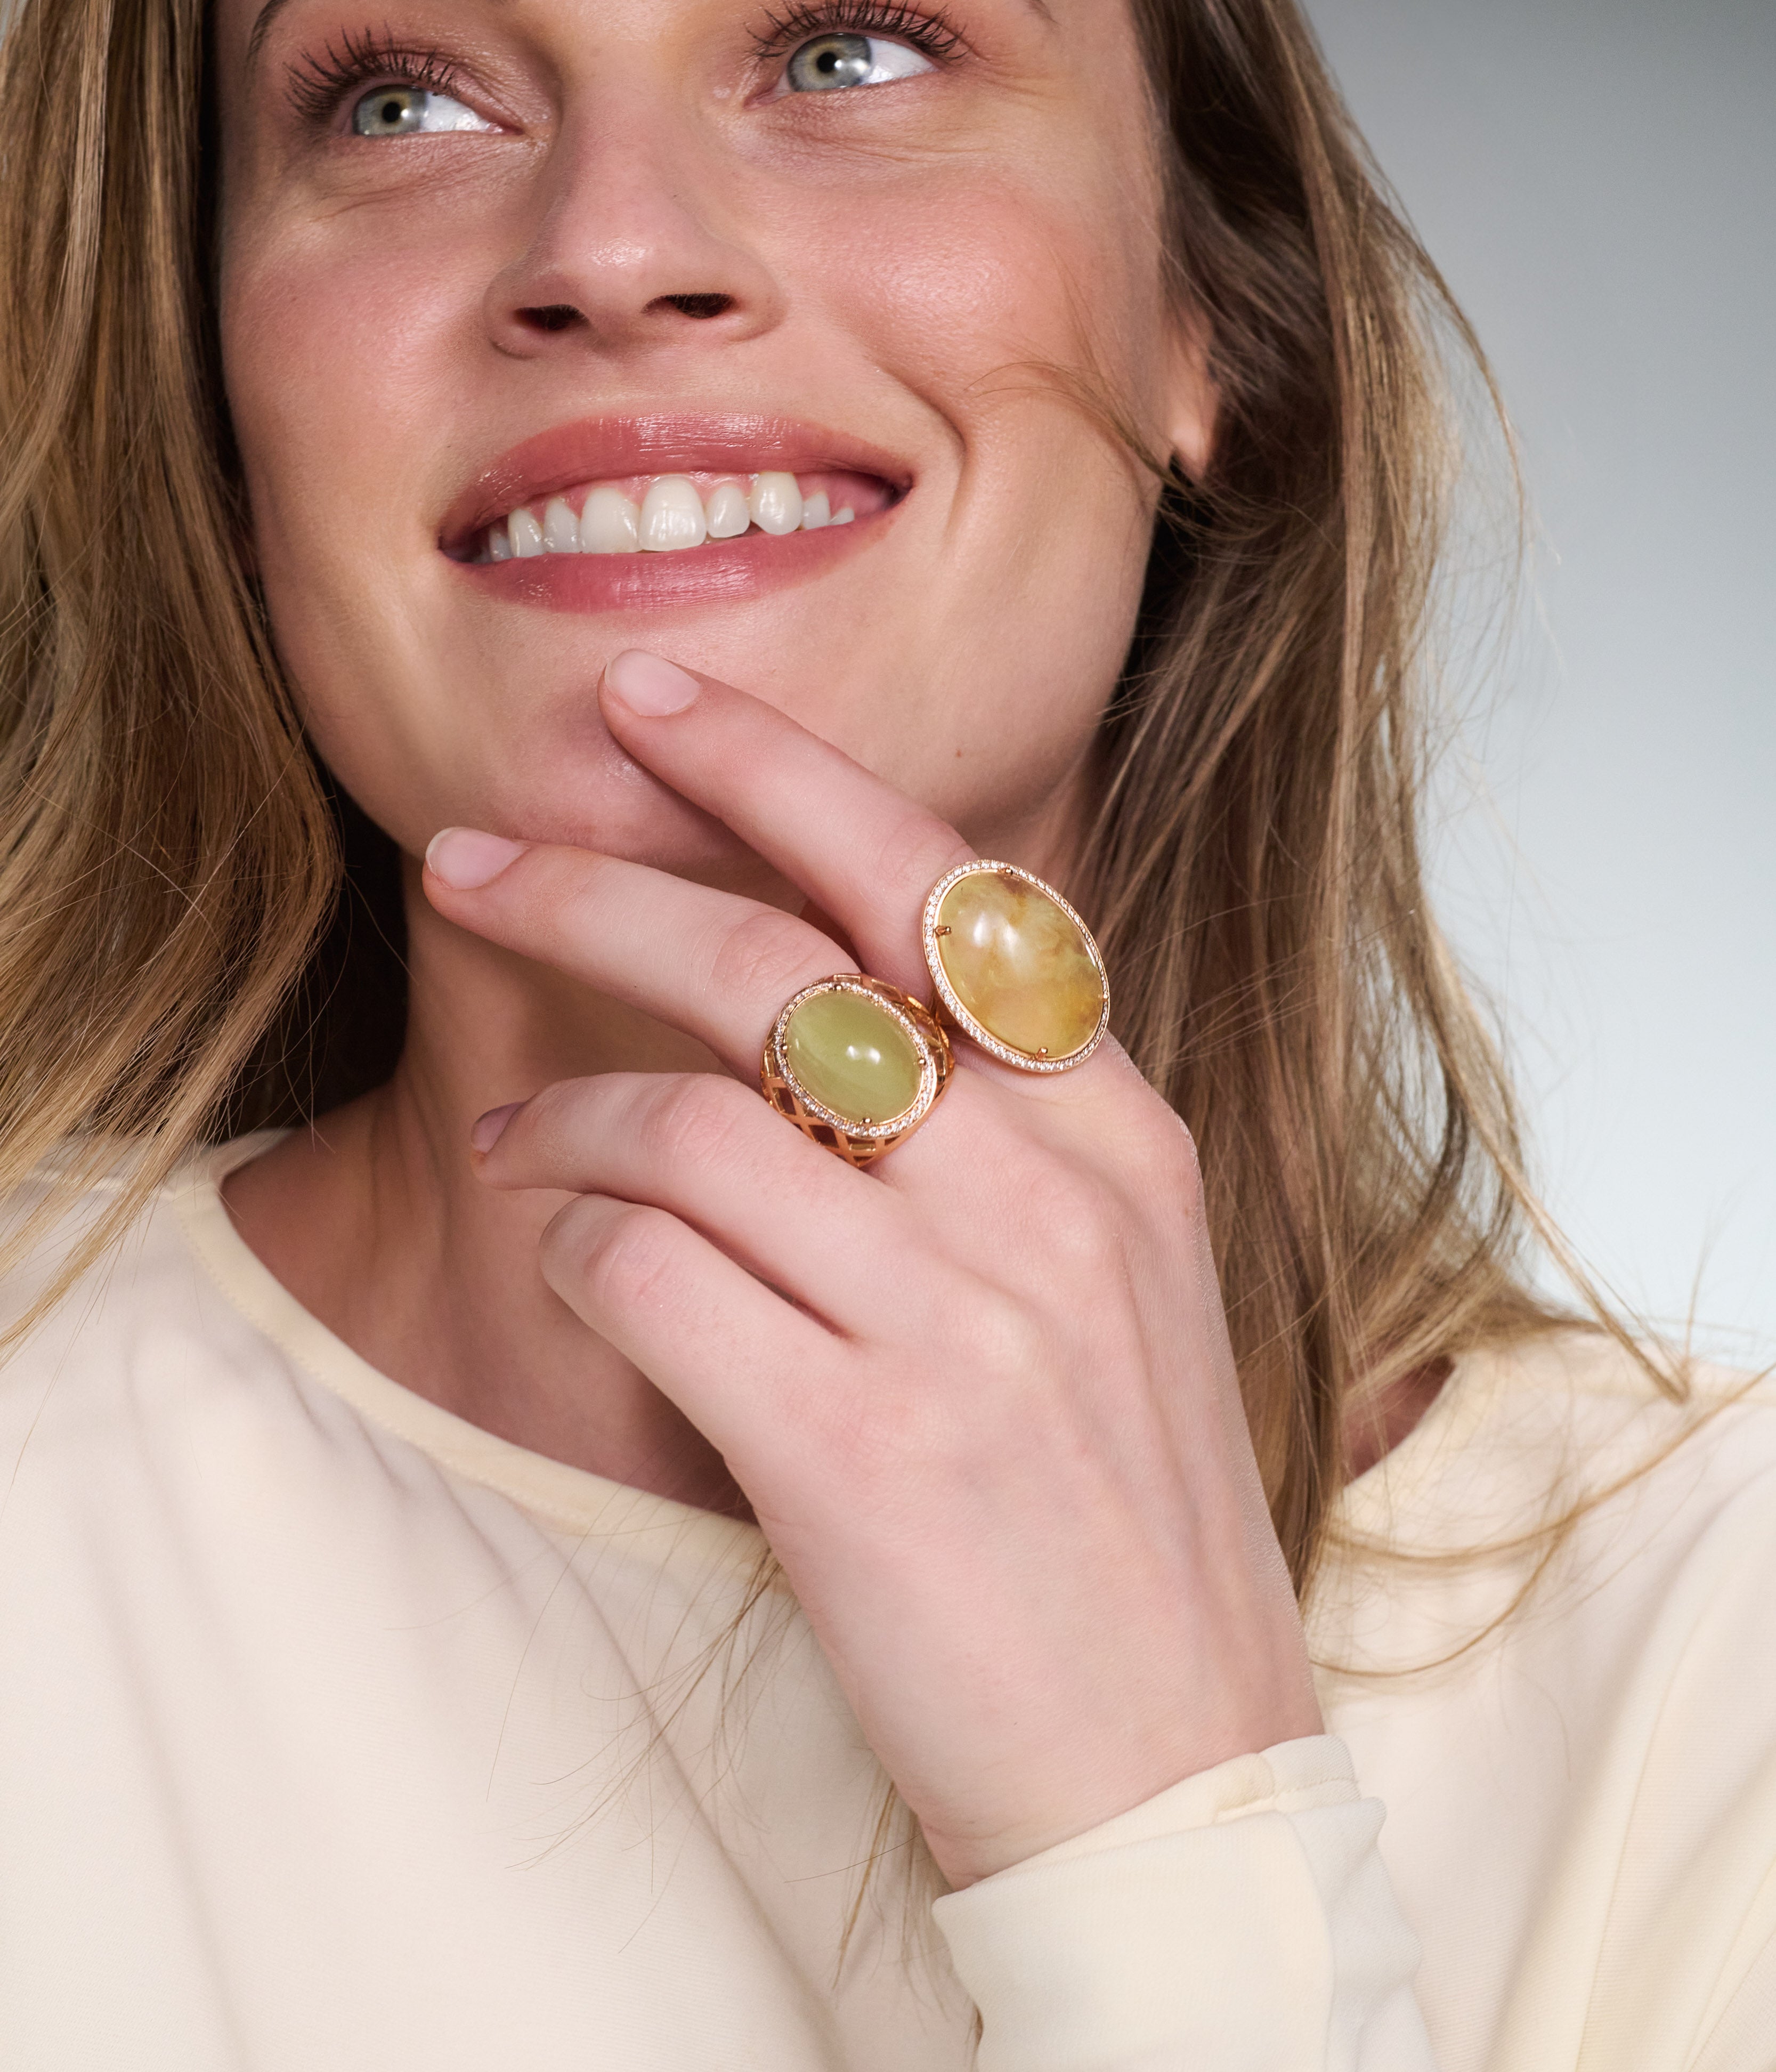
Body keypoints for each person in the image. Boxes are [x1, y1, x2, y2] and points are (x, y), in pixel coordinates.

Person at [0, 0, 1770, 2065]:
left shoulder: (1722, 1646)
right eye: (404, 101)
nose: (614, 243)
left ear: (1211, 319)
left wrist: (1172, 1840)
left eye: (851, 52)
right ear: (220, 414)